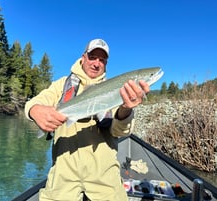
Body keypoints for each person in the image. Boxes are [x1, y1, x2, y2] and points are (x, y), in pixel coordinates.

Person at [25, 39, 150, 201]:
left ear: (106, 64)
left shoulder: (117, 89)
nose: (97, 63)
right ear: (83, 57)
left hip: (104, 177)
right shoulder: (61, 85)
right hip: (63, 176)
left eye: (102, 60)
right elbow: (33, 103)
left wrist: (126, 109)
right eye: (93, 57)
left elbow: (120, 130)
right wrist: (35, 111)